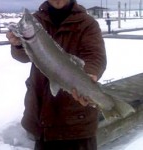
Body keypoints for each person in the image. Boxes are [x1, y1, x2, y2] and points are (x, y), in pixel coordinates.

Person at [6, 0, 107, 150]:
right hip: (42, 118)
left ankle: (112, 106)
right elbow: (23, 57)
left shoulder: (87, 23)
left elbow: (95, 56)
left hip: (77, 119)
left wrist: (89, 75)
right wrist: (18, 45)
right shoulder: (36, 21)